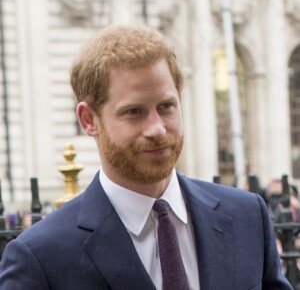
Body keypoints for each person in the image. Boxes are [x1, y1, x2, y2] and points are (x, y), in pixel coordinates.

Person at [0, 25, 292, 290]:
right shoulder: (40, 257)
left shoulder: (246, 217)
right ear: (89, 119)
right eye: (134, 112)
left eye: (166, 106)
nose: (157, 128)